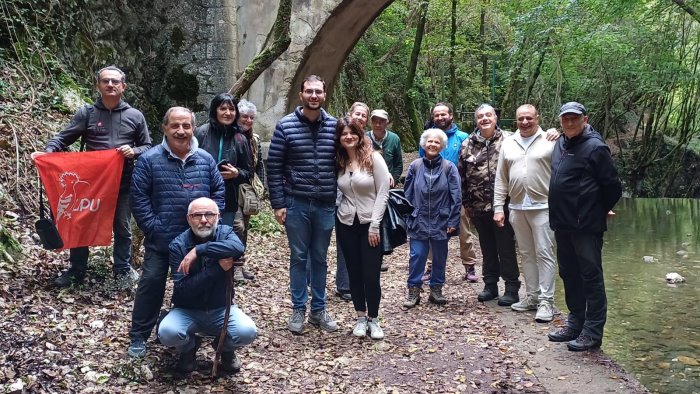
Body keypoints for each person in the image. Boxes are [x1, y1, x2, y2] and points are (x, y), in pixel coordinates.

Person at [31, 65, 152, 288]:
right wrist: (46, 156)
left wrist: (133, 151)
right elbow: (63, 138)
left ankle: (122, 270)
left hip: (123, 184)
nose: (110, 85)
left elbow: (148, 146)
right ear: (98, 85)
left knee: (122, 227)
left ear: (123, 86)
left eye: (115, 82)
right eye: (105, 81)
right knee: (81, 223)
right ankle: (77, 270)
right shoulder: (87, 114)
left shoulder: (135, 116)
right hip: (90, 185)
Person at [128, 106, 225, 358]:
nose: (181, 131)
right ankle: (139, 336)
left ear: (193, 127)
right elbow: (138, 198)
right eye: (175, 126)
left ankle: (197, 335)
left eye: (186, 126)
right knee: (151, 284)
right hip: (162, 240)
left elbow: (219, 194)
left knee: (199, 286)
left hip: (198, 242)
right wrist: (153, 227)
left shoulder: (205, 159)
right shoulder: (149, 160)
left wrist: (208, 227)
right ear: (164, 128)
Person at [547, 102, 622, 351]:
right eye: (565, 119)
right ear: (560, 121)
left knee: (591, 276)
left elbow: (612, 187)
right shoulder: (560, 144)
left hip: (585, 226)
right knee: (569, 274)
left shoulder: (596, 147)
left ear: (584, 119)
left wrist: (596, 210)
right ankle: (575, 323)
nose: (569, 123)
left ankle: (592, 331)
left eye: (574, 119)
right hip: (562, 223)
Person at [267, 75, 338, 334]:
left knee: (319, 258)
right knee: (298, 257)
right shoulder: (285, 126)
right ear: (301, 95)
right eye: (309, 91)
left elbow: (348, 158)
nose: (314, 96)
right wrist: (278, 203)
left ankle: (318, 310)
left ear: (325, 95)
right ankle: (299, 308)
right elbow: (273, 167)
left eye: (318, 91)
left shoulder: (334, 126)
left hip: (325, 203)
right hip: (296, 202)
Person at [158, 197, 257, 373]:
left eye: (209, 214)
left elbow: (237, 248)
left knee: (247, 331)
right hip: (187, 310)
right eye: (197, 215)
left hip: (221, 308)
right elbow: (182, 291)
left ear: (218, 217)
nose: (203, 220)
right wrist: (217, 268)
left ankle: (226, 349)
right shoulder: (178, 245)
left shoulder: (225, 233)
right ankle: (189, 349)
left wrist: (198, 250)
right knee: (167, 333)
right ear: (189, 219)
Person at [493, 104, 557, 322]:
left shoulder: (550, 140)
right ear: (516, 120)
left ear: (537, 118)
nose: (525, 122)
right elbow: (501, 178)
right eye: (521, 118)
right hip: (517, 208)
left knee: (544, 253)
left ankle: (547, 302)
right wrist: (498, 207)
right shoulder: (509, 143)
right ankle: (532, 296)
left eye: (529, 118)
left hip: (544, 206)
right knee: (527, 254)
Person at [458, 104, 520, 306]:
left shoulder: (510, 140)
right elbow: (462, 175)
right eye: (480, 116)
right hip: (477, 206)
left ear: (496, 117)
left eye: (488, 115)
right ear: (476, 120)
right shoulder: (468, 143)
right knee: (487, 247)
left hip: (504, 204)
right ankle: (490, 284)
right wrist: (466, 202)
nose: (484, 119)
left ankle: (511, 287)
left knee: (506, 246)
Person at [335, 117, 391, 339]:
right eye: (343, 134)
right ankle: (360, 316)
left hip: (370, 223)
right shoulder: (339, 162)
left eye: (352, 133)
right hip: (346, 223)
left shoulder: (373, 159)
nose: (348, 137)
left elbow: (383, 192)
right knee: (354, 274)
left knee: (370, 275)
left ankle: (374, 319)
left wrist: (375, 225)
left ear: (359, 134)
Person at [195, 93, 252, 280]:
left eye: (231, 109)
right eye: (223, 108)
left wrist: (236, 174)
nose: (227, 112)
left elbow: (248, 172)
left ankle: (220, 279)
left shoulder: (241, 139)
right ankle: (197, 276)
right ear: (215, 110)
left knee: (221, 238)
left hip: (228, 198)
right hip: (200, 195)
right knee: (200, 235)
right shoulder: (202, 133)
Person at [419, 103, 477, 283]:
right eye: (436, 115)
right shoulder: (428, 137)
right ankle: (430, 266)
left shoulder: (463, 137)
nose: (440, 118)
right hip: (432, 193)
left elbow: (471, 164)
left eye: (443, 114)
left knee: (464, 230)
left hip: (457, 191)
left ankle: (469, 266)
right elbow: (421, 162)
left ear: (451, 115)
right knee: (431, 230)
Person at [403, 128, 461, 307]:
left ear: (442, 146)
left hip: (441, 220)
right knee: (417, 256)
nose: (433, 144)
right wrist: (408, 218)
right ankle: (414, 290)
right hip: (418, 219)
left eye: (437, 142)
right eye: (430, 141)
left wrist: (453, 220)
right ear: (424, 144)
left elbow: (456, 196)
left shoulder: (449, 168)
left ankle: (436, 289)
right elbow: (407, 195)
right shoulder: (415, 166)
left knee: (439, 257)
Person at [335, 102, 371, 301]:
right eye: (357, 114)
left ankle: (357, 283)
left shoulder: (368, 144)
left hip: (364, 207)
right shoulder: (339, 144)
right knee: (343, 245)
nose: (360, 117)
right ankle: (344, 283)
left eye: (363, 115)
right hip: (340, 202)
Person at [231, 98, 265, 282]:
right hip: (231, 188)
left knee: (245, 227)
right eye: (244, 116)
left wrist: (262, 187)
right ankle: (235, 267)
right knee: (237, 227)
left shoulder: (254, 139)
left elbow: (258, 165)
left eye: (251, 117)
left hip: (247, 188)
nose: (248, 121)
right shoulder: (230, 136)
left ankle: (240, 263)